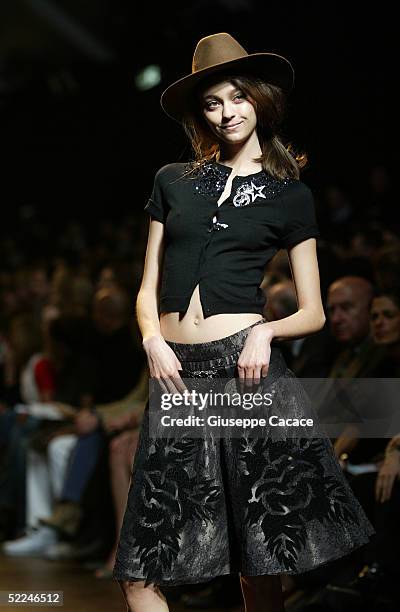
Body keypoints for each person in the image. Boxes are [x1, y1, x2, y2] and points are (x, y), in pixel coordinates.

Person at [112, 32, 375, 612]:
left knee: (260, 568)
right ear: (200, 114)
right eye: (212, 102)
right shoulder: (172, 180)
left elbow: (313, 311)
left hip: (247, 375)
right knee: (142, 569)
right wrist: (152, 338)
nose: (226, 112)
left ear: (257, 98)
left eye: (237, 97)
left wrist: (265, 329)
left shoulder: (289, 194)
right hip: (178, 376)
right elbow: (146, 287)